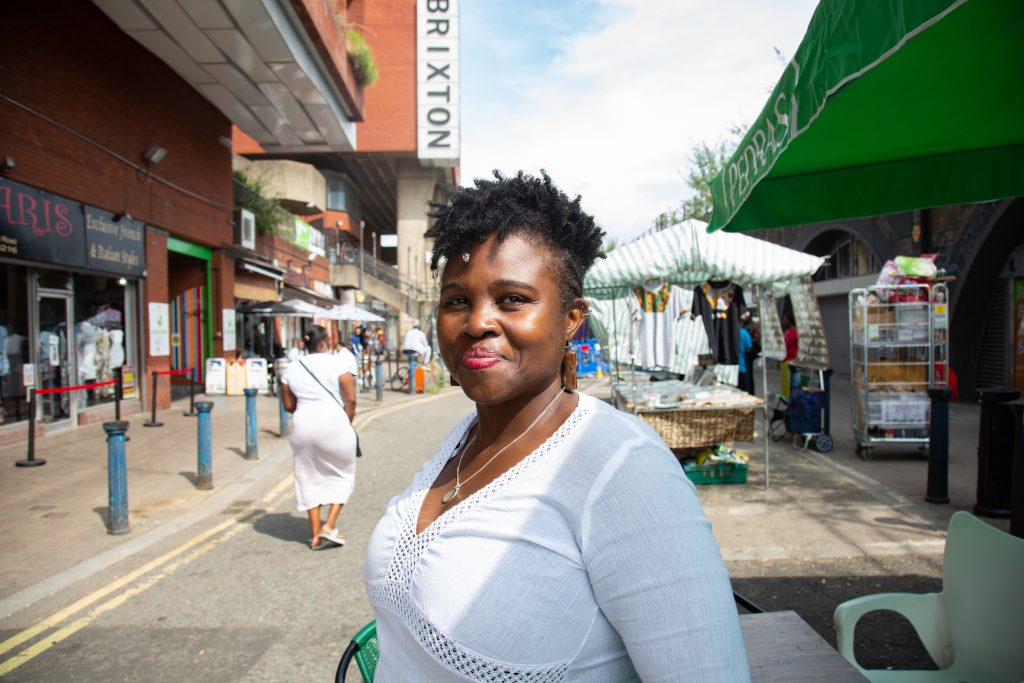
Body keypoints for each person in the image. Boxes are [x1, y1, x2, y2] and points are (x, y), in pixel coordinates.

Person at [363, 170, 749, 681]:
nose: (477, 321)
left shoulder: (622, 468)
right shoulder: (460, 441)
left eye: (512, 300)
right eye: (457, 300)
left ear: (571, 318)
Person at [280, 324, 358, 550]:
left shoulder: (292, 368)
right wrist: (347, 423)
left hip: (303, 425)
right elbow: (350, 398)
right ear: (324, 342)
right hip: (334, 424)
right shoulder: (337, 363)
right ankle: (329, 525)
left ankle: (315, 535)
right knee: (342, 473)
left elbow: (288, 405)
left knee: (307, 476)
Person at [780, 312, 799, 398]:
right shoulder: (787, 331)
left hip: (791, 361)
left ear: (790, 321)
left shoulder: (794, 331)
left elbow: (785, 344)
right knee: (785, 383)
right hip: (784, 361)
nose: (783, 321)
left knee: (790, 384)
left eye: (785, 319)